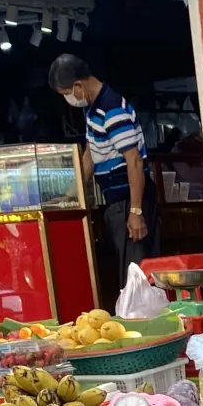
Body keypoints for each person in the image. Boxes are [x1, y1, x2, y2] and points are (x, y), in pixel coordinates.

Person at [47, 54, 161, 292]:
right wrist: (71, 195)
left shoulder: (110, 109)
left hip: (130, 199)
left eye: (66, 93)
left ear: (78, 86)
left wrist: (136, 211)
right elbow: (90, 155)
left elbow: (135, 162)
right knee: (127, 275)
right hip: (117, 203)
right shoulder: (93, 110)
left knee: (137, 279)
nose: (69, 99)